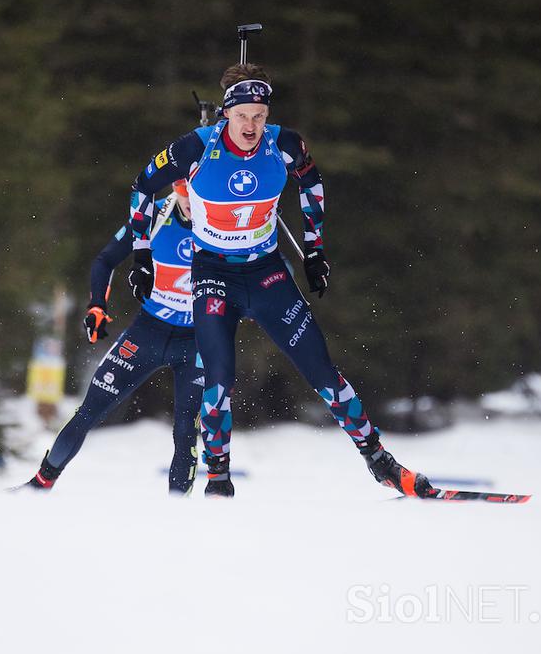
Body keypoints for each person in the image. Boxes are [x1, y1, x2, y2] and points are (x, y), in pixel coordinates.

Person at [127, 64, 435, 498]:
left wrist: (315, 249)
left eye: (259, 115)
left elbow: (311, 183)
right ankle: (218, 480)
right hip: (214, 273)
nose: (251, 125)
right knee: (218, 379)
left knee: (322, 371)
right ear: (226, 117)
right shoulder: (195, 148)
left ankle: (380, 461)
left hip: (266, 272)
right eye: (242, 116)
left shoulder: (284, 144)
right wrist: (142, 255)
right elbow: (142, 186)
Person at [22, 180, 203, 494]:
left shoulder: (226, 224)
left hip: (197, 340)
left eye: (202, 198)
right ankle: (40, 484)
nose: (194, 205)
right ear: (177, 190)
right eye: (187, 196)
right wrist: (96, 305)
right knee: (90, 409)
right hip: (148, 331)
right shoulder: (154, 216)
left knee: (187, 430)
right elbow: (105, 259)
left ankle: (179, 513)